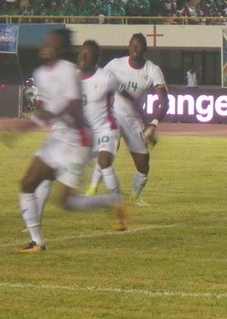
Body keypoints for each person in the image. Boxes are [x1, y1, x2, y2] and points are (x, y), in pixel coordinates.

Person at [18, 29, 127, 253]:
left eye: (52, 43)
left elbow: (72, 106)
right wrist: (41, 112)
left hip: (78, 141)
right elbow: (46, 105)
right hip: (58, 138)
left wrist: (32, 124)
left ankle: (110, 201)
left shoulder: (69, 72)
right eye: (45, 42)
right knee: (28, 184)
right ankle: (36, 240)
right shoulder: (40, 73)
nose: (46, 46)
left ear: (63, 49)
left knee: (66, 202)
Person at [92, 33, 168, 205]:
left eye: (139, 45)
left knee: (143, 165)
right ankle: (92, 189)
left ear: (145, 50)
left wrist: (153, 124)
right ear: (128, 47)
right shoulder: (115, 64)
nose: (135, 48)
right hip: (112, 115)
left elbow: (164, 101)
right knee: (107, 152)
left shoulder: (152, 70)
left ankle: (135, 197)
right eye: (132, 45)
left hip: (134, 121)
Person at [78, 40, 127, 198]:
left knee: (104, 162)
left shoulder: (106, 78)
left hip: (107, 127)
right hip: (86, 132)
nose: (83, 57)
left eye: (87, 54)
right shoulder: (72, 78)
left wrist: (146, 122)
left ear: (95, 58)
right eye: (82, 53)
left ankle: (118, 205)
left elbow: (128, 97)